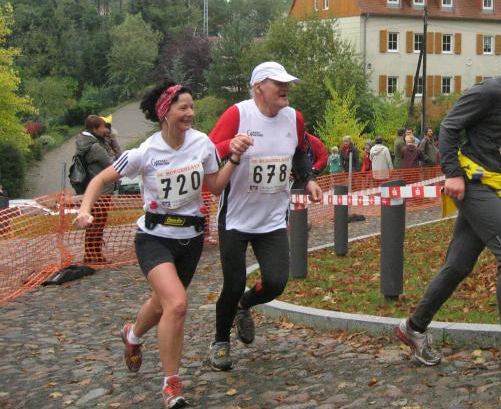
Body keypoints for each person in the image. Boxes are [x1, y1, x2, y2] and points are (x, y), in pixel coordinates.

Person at [394, 25, 501, 376]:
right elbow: (449, 127)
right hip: (475, 185)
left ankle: (413, 327)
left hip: (500, 187)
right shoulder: (491, 90)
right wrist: (453, 173)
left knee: (458, 266)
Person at [74, 82, 250, 409]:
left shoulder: (202, 144)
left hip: (190, 240)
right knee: (178, 304)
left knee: (163, 303)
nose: (190, 113)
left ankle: (132, 335)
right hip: (154, 238)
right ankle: (172, 386)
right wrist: (85, 210)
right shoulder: (145, 153)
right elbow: (99, 179)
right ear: (165, 112)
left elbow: (214, 187)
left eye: (192, 106)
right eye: (183, 108)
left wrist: (235, 159)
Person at [207, 61, 322, 372]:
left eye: (287, 83)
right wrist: (230, 145)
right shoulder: (238, 114)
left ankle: (244, 306)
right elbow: (207, 149)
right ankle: (220, 341)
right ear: (258, 87)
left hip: (272, 219)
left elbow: (299, 152)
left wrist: (308, 179)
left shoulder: (294, 118)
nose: (285, 88)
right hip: (236, 218)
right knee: (233, 284)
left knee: (275, 282)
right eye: (277, 83)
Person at [76, 115, 115, 264]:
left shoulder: (84, 144)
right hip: (102, 192)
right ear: (94, 129)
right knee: (98, 224)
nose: (105, 130)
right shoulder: (96, 147)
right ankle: (95, 255)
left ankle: (90, 254)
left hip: (92, 190)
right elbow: (111, 165)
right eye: (103, 127)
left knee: (93, 223)